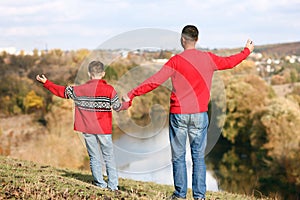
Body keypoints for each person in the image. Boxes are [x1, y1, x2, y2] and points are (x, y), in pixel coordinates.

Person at [122, 25, 254, 200]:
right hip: (200, 115)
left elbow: (154, 81)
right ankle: (199, 197)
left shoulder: (175, 61)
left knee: (178, 157)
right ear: (197, 40)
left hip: (178, 115)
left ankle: (180, 195)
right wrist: (246, 51)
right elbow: (230, 61)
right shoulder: (208, 58)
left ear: (183, 39)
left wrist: (131, 94)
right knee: (198, 158)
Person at [36, 61, 129, 191]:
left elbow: (62, 92)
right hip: (103, 130)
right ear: (103, 74)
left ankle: (100, 185)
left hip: (87, 129)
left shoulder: (79, 90)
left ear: (89, 73)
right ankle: (113, 186)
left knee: (94, 157)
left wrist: (46, 83)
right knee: (108, 157)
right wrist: (127, 103)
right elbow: (118, 107)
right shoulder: (109, 90)